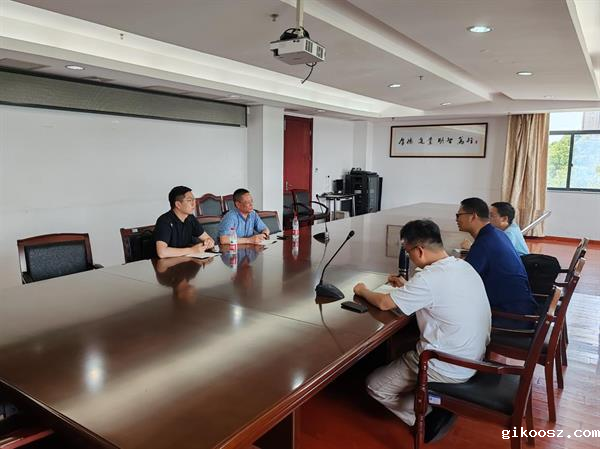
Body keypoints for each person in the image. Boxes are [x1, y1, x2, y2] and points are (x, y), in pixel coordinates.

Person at [353, 219, 491, 442]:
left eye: (408, 252)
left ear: (419, 250)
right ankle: (433, 401)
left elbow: (385, 304)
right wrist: (407, 287)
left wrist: (362, 290)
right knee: (403, 346)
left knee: (375, 386)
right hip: (473, 357)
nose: (409, 257)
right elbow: (437, 293)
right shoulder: (463, 266)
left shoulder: (428, 279)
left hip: (446, 365)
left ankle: (427, 415)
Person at [456, 197, 538, 326]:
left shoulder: (484, 242)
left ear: (473, 216)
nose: (456, 220)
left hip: (510, 316)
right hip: (522, 307)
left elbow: (463, 280)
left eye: (459, 215)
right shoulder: (497, 234)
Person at [154, 186, 215, 258]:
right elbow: (162, 252)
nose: (194, 204)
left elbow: (209, 239)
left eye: (194, 200)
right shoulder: (164, 221)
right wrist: (192, 250)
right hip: (166, 263)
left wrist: (208, 243)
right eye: (189, 200)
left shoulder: (190, 218)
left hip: (185, 260)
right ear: (178, 205)